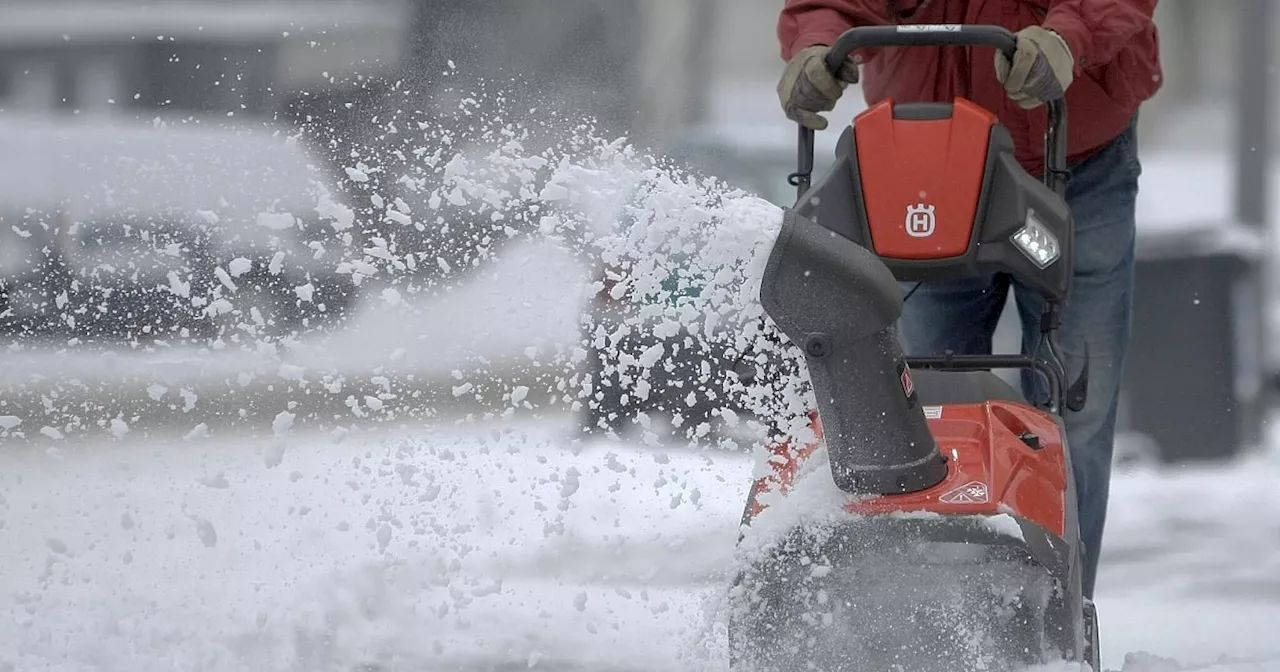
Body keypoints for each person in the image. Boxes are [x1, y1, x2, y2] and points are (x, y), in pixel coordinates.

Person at [775, 0, 1162, 601]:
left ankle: (1061, 610)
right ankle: (923, 609)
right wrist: (818, 39)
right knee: (914, 406)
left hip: (1077, 150)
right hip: (923, 157)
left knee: (1076, 412)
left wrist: (1069, 35)